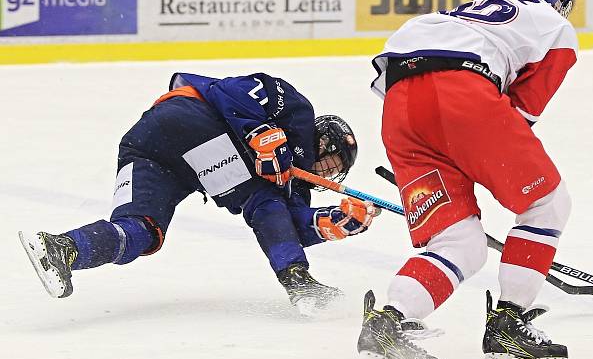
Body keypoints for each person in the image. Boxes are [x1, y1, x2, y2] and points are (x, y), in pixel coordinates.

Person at [354, 0, 578, 359]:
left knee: (460, 242)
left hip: (401, 110)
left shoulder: (463, 14)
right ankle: (509, 333)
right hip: (465, 96)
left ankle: (386, 326)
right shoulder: (555, 26)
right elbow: (518, 116)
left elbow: (394, 84)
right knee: (546, 204)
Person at [19, 71, 379, 314]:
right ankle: (298, 282)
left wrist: (335, 222)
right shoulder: (298, 116)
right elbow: (230, 90)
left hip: (149, 148)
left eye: (335, 172)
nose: (328, 173)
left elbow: (289, 226)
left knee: (141, 231)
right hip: (190, 117)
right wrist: (259, 132)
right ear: (322, 140)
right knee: (262, 198)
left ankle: (63, 249)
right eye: (331, 162)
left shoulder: (291, 183)